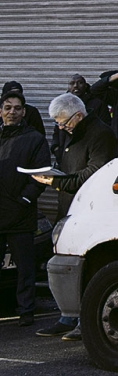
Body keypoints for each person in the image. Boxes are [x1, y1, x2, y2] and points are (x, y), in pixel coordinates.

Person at [33, 93, 118, 341]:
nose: (60, 127)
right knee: (65, 264)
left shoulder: (100, 134)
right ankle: (67, 316)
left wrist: (56, 182)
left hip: (90, 210)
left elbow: (93, 174)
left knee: (85, 266)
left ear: (78, 115)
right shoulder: (72, 133)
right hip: (69, 208)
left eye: (63, 122)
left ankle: (85, 319)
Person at [0, 88, 51, 327]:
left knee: (25, 268)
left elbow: (42, 174)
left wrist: (26, 200)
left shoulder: (35, 139)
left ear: (24, 112)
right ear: (0, 112)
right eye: (8, 108)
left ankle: (26, 311)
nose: (12, 112)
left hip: (21, 214)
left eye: (17, 108)